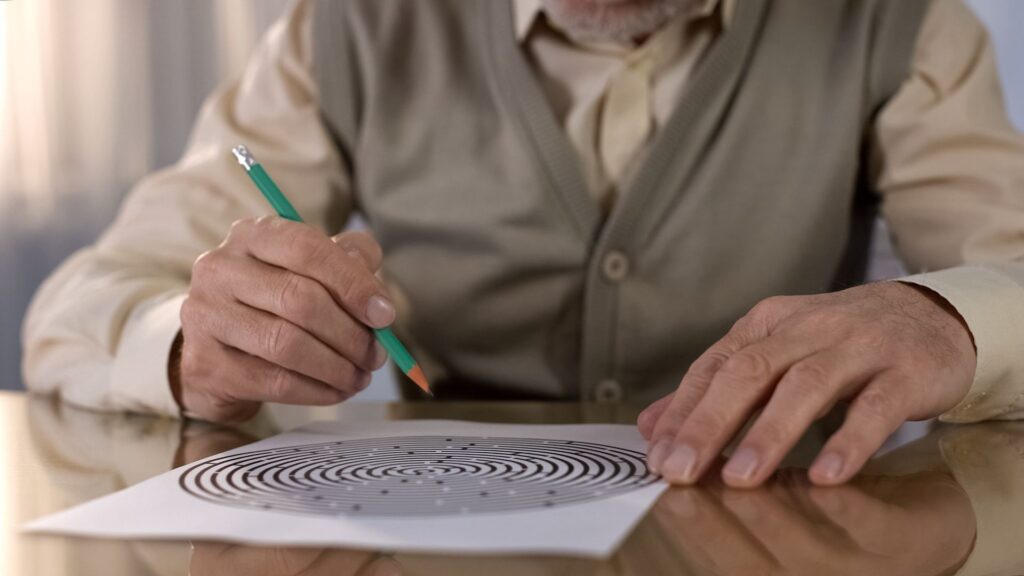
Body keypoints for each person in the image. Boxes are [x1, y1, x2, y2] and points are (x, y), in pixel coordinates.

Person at [22, 0, 1024, 488]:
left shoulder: (903, 21)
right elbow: (84, 300)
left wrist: (939, 318)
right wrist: (190, 340)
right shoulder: (348, 24)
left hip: (780, 534)